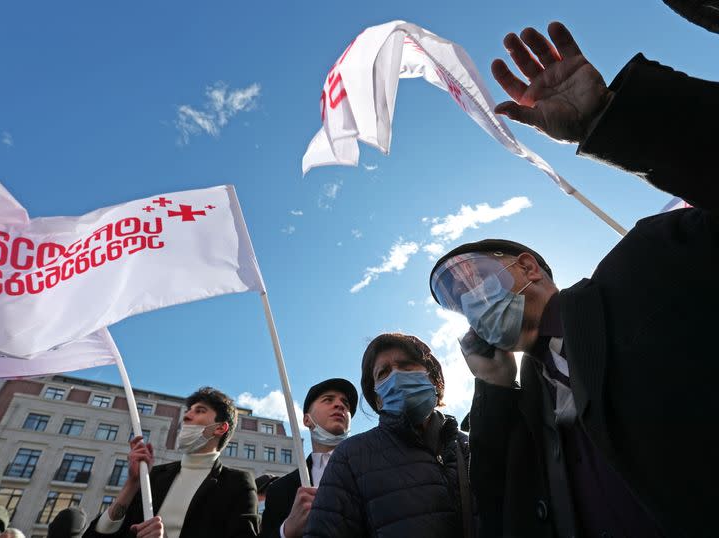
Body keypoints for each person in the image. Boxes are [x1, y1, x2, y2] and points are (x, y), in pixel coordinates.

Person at [429, 22, 718, 538]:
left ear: (527, 266)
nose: (470, 301)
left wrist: (613, 118)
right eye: (456, 301)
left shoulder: (646, 265)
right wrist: (494, 390)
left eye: (472, 278)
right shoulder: (522, 407)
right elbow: (491, 512)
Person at [304, 334, 472, 538]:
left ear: (434, 379)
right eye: (383, 373)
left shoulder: (470, 446)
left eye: (407, 365)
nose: (396, 377)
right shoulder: (351, 457)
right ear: (377, 400)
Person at [83, 387, 258, 538]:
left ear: (220, 428)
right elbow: (97, 535)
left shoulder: (237, 483)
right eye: (188, 410)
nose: (186, 417)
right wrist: (132, 484)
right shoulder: (154, 476)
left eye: (199, 411)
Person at [261, 378, 358, 538]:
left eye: (345, 403)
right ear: (307, 420)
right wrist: (286, 531)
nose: (340, 405)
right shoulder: (279, 490)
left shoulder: (373, 468)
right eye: (328, 399)